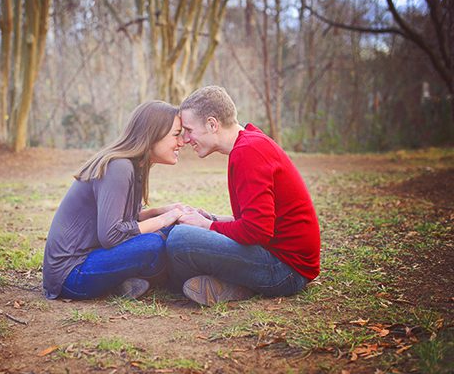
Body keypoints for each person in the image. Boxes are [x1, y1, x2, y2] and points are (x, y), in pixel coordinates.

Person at [166, 86, 321, 306]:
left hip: (286, 271)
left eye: (189, 130)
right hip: (278, 259)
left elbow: (258, 230)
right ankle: (231, 287)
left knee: (180, 238)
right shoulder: (248, 143)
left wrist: (206, 226)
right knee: (180, 230)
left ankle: (171, 281)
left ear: (212, 124)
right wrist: (212, 219)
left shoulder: (248, 152)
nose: (186, 139)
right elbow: (259, 222)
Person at [43, 101, 187, 300]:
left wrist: (164, 211)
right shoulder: (118, 166)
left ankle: (126, 283)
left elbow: (128, 218)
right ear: (153, 134)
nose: (182, 142)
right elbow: (111, 235)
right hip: (71, 275)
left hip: (95, 258)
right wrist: (165, 219)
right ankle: (183, 285)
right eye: (176, 134)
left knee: (175, 232)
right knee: (154, 243)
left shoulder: (134, 165)